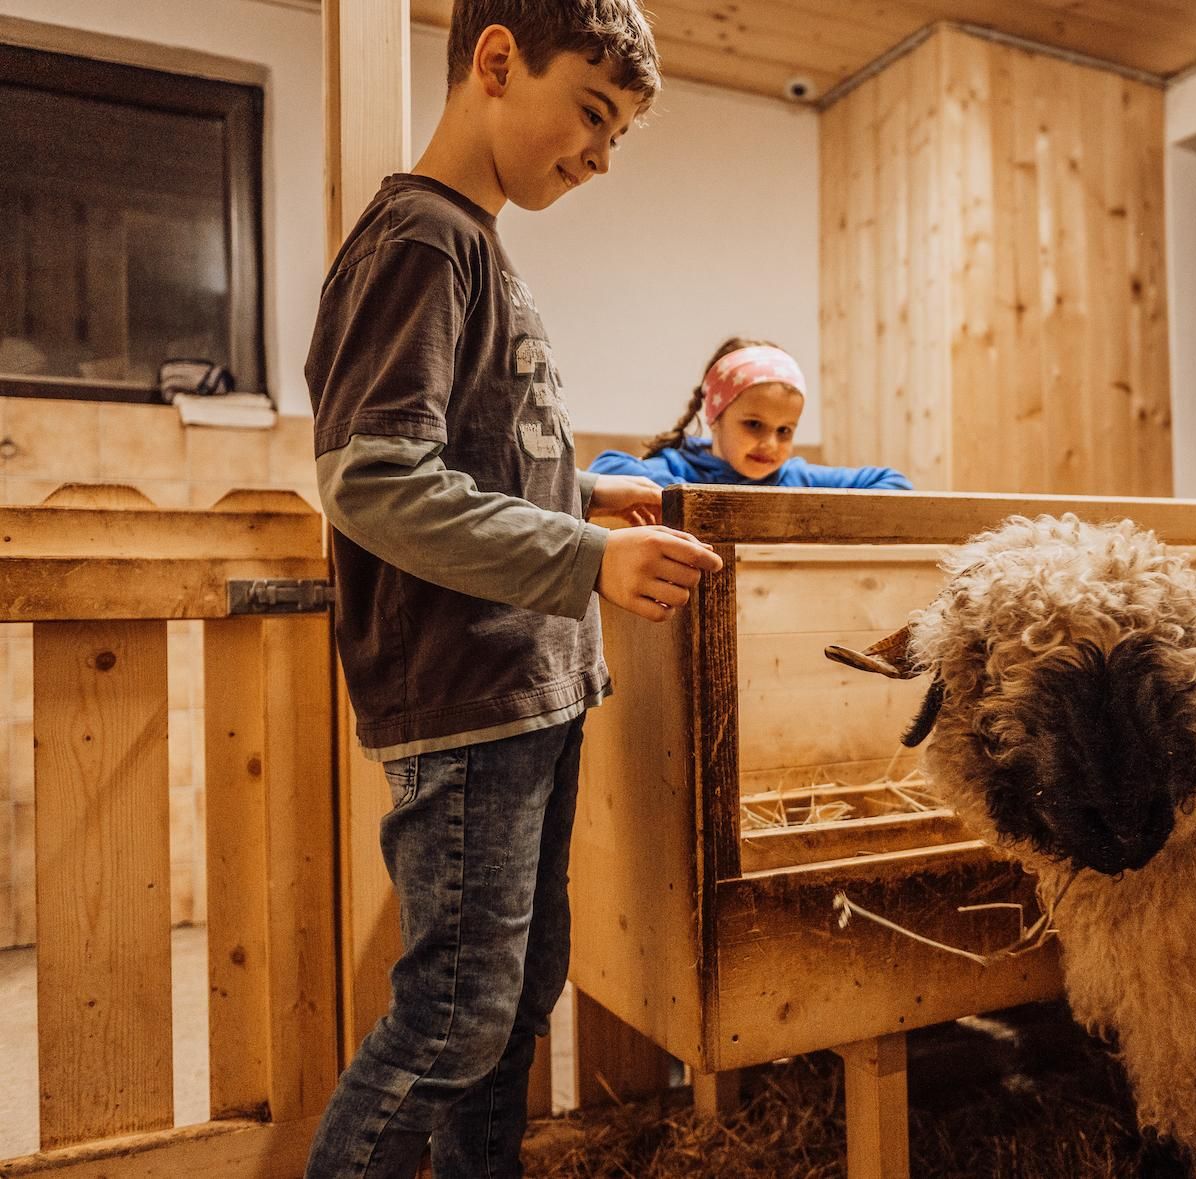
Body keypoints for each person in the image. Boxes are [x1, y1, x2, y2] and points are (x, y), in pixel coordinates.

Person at [302, 3, 723, 1175]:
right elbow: (374, 481)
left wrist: (583, 499)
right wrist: (586, 560)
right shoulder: (420, 243)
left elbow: (478, 463)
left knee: (515, 1000)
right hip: (468, 697)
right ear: (495, 60)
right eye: (592, 113)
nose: (597, 156)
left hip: (529, 690)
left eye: (619, 135)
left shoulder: (479, 249)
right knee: (449, 1023)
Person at [589, 336, 913, 488]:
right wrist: (693, 499)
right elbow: (607, 468)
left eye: (784, 430)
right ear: (715, 416)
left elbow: (893, 483)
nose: (770, 444)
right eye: (754, 425)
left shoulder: (796, 478)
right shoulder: (680, 469)